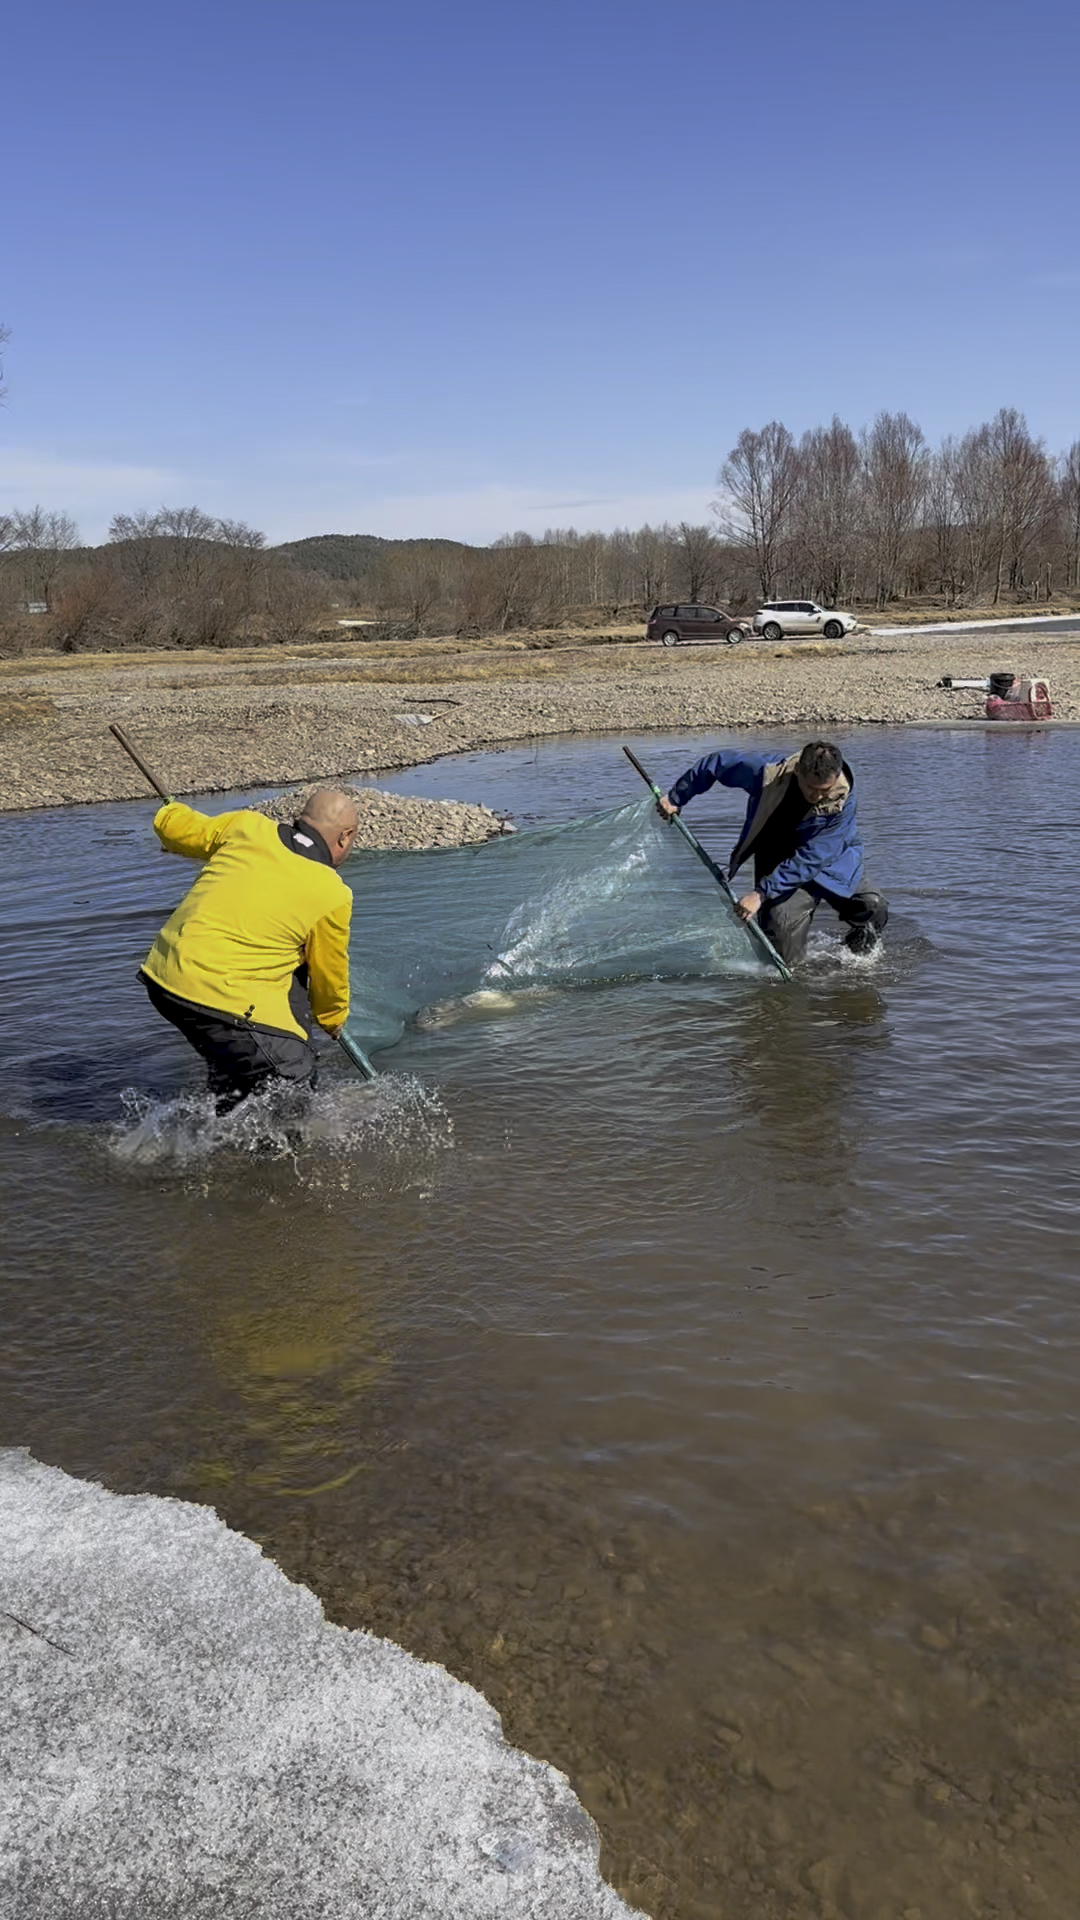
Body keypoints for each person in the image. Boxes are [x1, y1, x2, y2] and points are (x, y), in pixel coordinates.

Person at [139, 787, 358, 1111]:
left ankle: (218, 1137)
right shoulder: (332, 893)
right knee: (294, 1074)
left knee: (240, 1063)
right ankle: (285, 1156)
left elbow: (179, 831)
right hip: (221, 997)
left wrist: (170, 812)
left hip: (165, 980)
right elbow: (328, 973)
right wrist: (333, 1019)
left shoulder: (247, 827)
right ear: (345, 837)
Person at [657, 740, 887, 966]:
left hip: (832, 860)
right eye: (811, 788)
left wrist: (760, 894)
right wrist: (677, 797)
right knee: (783, 954)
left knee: (873, 906)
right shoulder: (767, 773)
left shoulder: (843, 799)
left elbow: (814, 857)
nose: (817, 796)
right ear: (798, 771)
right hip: (779, 859)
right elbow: (717, 764)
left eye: (824, 790)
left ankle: (857, 960)